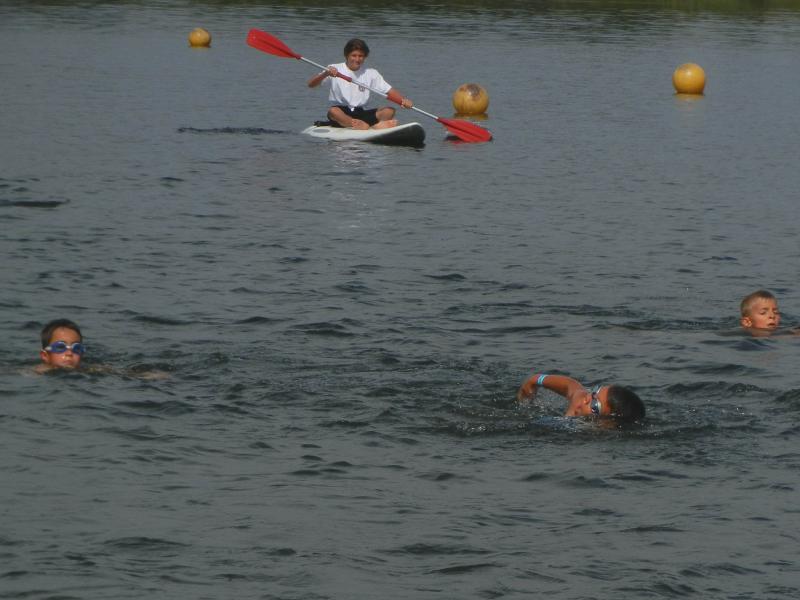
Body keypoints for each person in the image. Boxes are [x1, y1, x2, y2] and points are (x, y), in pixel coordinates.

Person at [307, 38, 413, 130]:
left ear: (365, 57)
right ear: (347, 55)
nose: (357, 59)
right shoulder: (334, 69)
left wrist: (403, 101)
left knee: (389, 111)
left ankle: (368, 126)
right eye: (354, 55)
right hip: (342, 112)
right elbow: (311, 84)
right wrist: (325, 74)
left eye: (361, 56)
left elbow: (389, 91)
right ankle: (362, 125)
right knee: (333, 111)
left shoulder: (371, 73)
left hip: (361, 113)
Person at [516, 373, 645, 422]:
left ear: (607, 423)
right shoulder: (582, 398)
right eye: (594, 392)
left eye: (595, 405)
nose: (587, 398)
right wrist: (536, 380)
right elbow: (570, 385)